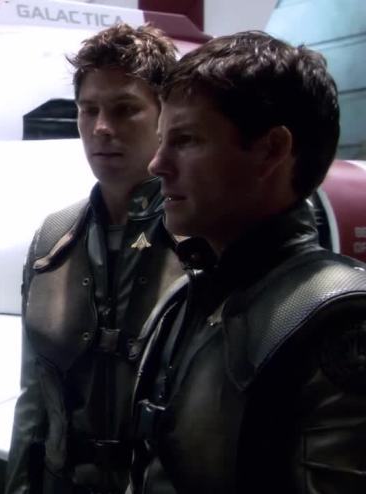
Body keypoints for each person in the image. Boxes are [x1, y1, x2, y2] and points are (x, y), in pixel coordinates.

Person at [131, 31, 366, 493]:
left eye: (186, 139)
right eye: (162, 140)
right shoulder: (183, 300)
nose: (157, 164)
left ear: (271, 150)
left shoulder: (342, 322)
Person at [5, 24, 183, 494]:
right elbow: (34, 396)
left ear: (165, 116)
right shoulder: (53, 240)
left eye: (125, 109)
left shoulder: (202, 237)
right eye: (89, 110)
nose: (102, 127)